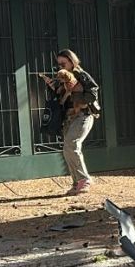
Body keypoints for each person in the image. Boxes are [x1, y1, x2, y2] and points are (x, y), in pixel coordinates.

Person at [41, 49, 100, 196]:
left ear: (72, 61)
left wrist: (81, 101)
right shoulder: (61, 78)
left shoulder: (81, 74)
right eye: (59, 64)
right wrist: (53, 87)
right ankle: (77, 183)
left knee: (72, 145)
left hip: (83, 115)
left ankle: (84, 180)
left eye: (63, 63)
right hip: (68, 117)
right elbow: (59, 98)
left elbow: (93, 91)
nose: (61, 66)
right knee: (67, 149)